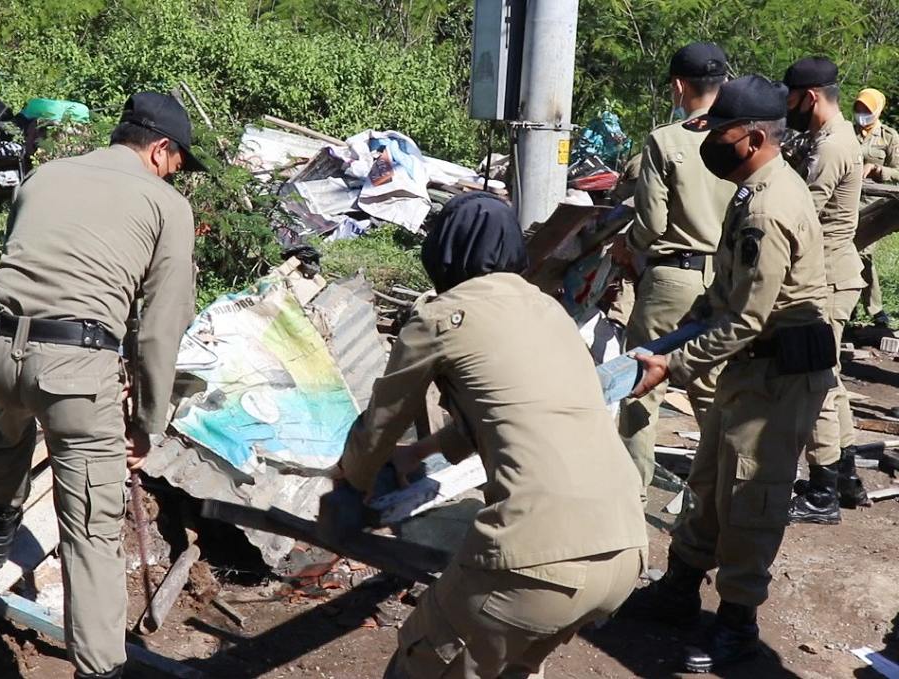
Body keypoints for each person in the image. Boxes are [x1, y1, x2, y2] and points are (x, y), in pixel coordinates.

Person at [335, 192, 648, 679]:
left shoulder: (440, 319)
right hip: (625, 550)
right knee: (509, 668)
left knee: (421, 663)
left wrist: (347, 480)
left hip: (536, 558)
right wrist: (420, 451)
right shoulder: (549, 313)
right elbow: (513, 413)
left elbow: (380, 422)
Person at [0, 91, 203, 679]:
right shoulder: (167, 207)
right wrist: (148, 422)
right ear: (161, 148)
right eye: (179, 164)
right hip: (72, 370)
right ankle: (99, 670)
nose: (179, 176)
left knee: (8, 421)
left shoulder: (45, 175)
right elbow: (160, 329)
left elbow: (27, 262)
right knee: (91, 526)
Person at [621, 74, 836, 673]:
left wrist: (673, 363)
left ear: (749, 136)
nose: (708, 140)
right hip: (748, 369)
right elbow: (723, 295)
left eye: (718, 131)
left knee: (751, 497)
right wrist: (674, 336)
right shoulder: (752, 191)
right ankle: (679, 589)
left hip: (777, 380)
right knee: (712, 477)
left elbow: (745, 318)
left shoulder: (768, 207)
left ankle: (737, 624)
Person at [609, 42, 735, 501]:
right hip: (725, 279)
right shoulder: (744, 137)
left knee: (642, 384)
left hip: (672, 279)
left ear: (680, 86)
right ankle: (724, 491)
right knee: (710, 391)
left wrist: (627, 246)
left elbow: (652, 224)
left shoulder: (667, 140)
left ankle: (630, 494)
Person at [781, 57, 870, 524]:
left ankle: (823, 491)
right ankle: (846, 475)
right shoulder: (828, 139)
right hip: (836, 273)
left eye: (791, 99)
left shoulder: (832, 146)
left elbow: (798, 213)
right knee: (831, 380)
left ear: (810, 97)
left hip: (828, 277)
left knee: (815, 382)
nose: (788, 108)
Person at [853, 87, 899, 326]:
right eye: (858, 109)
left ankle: (875, 308)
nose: (861, 115)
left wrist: (879, 171)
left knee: (862, 252)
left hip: (876, 205)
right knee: (846, 250)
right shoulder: (847, 133)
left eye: (867, 110)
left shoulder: (889, 137)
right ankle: (849, 303)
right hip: (847, 203)